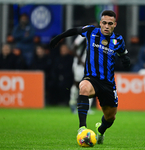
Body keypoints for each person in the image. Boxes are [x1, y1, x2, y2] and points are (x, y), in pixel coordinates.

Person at [50, 10, 130, 144]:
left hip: (108, 84)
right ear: (100, 23)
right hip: (91, 78)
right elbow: (74, 30)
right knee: (83, 87)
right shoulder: (91, 31)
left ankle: (100, 131)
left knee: (110, 117)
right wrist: (59, 37)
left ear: (114, 25)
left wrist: (126, 60)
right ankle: (82, 128)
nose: (106, 26)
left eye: (110, 24)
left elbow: (123, 54)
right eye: (104, 23)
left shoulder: (118, 40)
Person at [69, 35, 94, 114]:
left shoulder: (99, 37)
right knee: (77, 84)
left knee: (91, 84)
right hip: (80, 65)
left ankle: (87, 107)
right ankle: (73, 103)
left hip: (90, 65)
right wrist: (81, 60)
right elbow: (73, 48)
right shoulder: (83, 36)